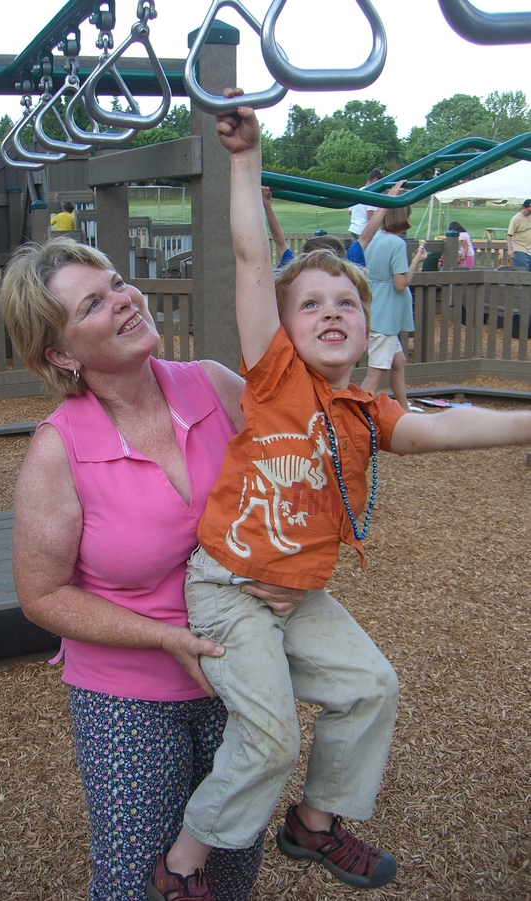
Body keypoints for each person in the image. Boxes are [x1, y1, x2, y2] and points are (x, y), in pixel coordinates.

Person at [146, 89, 531, 900]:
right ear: (283, 329)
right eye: (310, 304)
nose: (331, 312)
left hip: (295, 594)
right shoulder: (273, 376)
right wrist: (245, 160)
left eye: (346, 303)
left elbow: (448, 428)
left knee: (371, 684)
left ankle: (312, 822)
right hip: (228, 589)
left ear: (365, 325)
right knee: (271, 738)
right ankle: (181, 863)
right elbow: (252, 261)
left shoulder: (366, 411)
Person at [0, 236, 304, 901]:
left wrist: (291, 570)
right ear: (60, 354)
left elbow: (295, 470)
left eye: (116, 282)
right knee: (137, 878)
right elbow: (40, 594)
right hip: (128, 696)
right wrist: (165, 637)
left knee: (229, 865)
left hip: (238, 668)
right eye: (92, 304)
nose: (123, 300)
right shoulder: (59, 449)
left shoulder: (212, 386)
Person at [361, 206, 427, 411]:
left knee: (398, 362)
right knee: (376, 373)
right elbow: (401, 283)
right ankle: (352, 414)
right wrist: (416, 261)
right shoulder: (397, 243)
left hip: (375, 308)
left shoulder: (376, 238)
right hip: (386, 315)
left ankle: (404, 410)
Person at [265, 180, 406, 271]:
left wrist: (267, 204)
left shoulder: (298, 273)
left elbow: (280, 241)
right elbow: (366, 236)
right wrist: (388, 199)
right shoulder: (346, 269)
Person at [348, 168, 383, 240]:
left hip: (353, 228)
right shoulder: (371, 194)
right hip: (363, 230)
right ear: (375, 180)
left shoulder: (357, 192)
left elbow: (350, 212)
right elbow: (370, 213)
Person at [506, 199, 531, 270]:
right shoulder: (516, 219)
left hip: (529, 250)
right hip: (519, 250)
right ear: (524, 207)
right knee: (522, 273)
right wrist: (510, 250)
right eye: (529, 210)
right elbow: (509, 235)